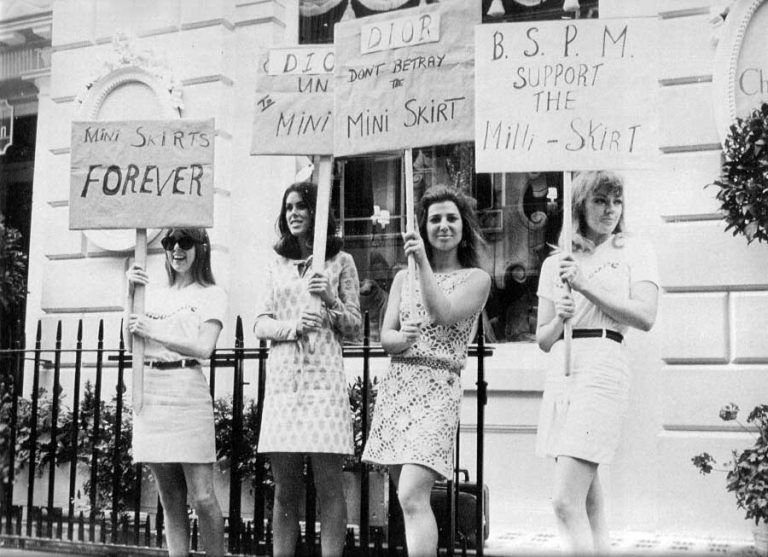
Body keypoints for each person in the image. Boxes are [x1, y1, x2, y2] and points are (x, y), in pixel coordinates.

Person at [535, 171, 659, 554]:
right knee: (588, 500)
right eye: (600, 200)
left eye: (616, 201)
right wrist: (561, 317)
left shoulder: (633, 251)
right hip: (565, 368)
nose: (610, 209)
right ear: (580, 205)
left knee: (564, 500)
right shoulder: (558, 262)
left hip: (605, 364)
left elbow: (645, 316)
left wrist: (587, 285)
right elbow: (543, 338)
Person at [363, 185, 491, 556]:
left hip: (437, 389)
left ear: (464, 226)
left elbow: (444, 312)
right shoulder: (404, 278)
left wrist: (421, 263)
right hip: (399, 386)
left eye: (452, 218)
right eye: (435, 219)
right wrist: (402, 338)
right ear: (423, 227)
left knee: (412, 493)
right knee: (406, 500)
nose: (444, 226)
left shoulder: (476, 279)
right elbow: (385, 337)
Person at [254, 181, 361, 557]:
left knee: (329, 484)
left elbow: (354, 326)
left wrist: (330, 299)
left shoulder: (341, 261)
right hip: (284, 383)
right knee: (285, 489)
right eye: (289, 208)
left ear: (318, 213)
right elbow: (260, 323)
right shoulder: (276, 264)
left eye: (302, 206)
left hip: (324, 382)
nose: (294, 213)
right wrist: (292, 327)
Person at [125, 227, 226, 557]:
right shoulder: (153, 293)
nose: (177, 249)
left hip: (187, 391)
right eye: (170, 243)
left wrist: (154, 330)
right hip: (152, 392)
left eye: (186, 242)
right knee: (169, 498)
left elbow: (204, 347)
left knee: (203, 496)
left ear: (201, 247)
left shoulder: (211, 293)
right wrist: (130, 294)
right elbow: (132, 345)